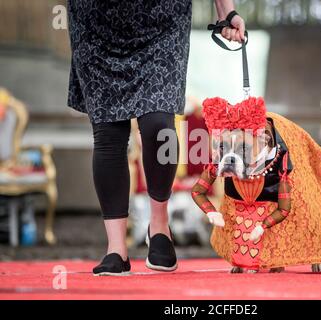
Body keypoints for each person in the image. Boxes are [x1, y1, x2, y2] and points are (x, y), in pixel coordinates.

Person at [67, 0, 245, 275]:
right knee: (109, 134)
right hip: (96, 23)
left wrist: (226, 12)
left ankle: (159, 226)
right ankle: (116, 249)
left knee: (159, 126)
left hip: (162, 19)